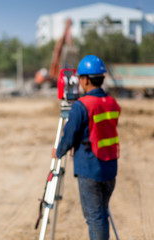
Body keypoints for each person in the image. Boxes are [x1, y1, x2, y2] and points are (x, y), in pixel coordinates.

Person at [52, 55, 120, 240]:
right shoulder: (112, 103)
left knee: (95, 217)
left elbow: (69, 136)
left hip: (91, 169)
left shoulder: (81, 106)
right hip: (110, 167)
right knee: (101, 214)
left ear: (84, 80)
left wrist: (58, 152)